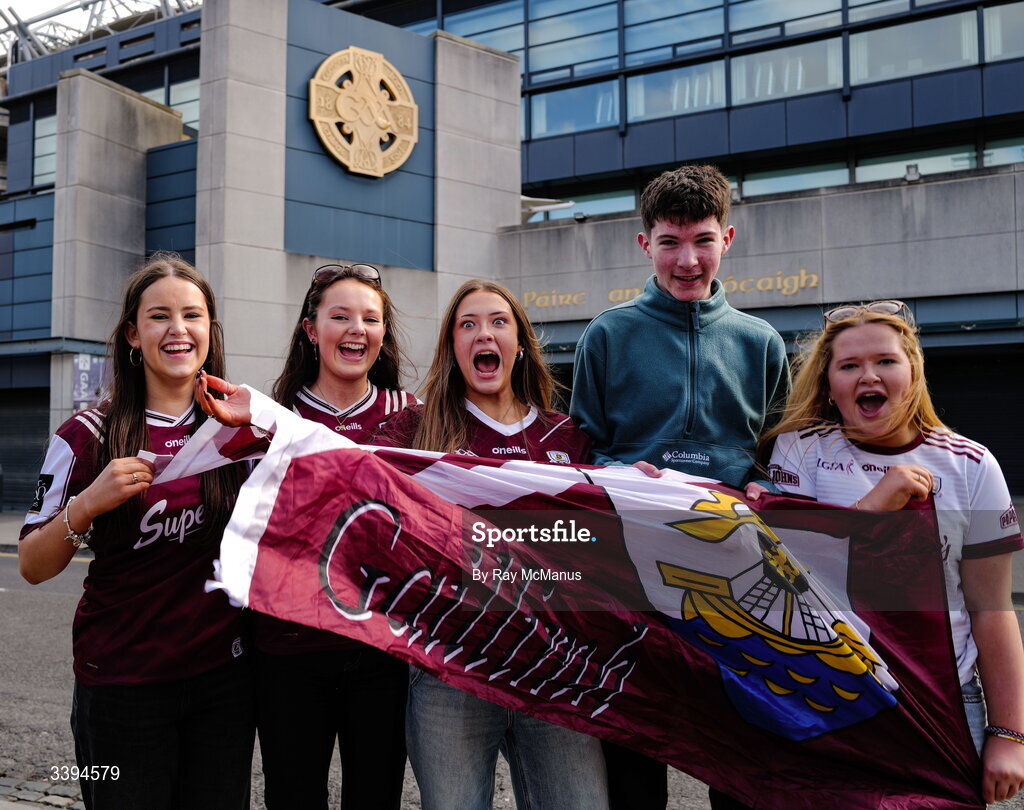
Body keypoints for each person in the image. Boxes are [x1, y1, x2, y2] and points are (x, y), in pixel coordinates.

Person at [569, 164, 790, 809]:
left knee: (740, 753)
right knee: (636, 751)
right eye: (669, 242)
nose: (687, 260)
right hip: (632, 572)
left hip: (740, 575)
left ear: (728, 237)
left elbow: (778, 455)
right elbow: (580, 450)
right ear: (645, 244)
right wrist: (616, 474)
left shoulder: (762, 343)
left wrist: (759, 485)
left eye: (701, 240)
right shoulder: (607, 336)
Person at [747, 299, 1024, 805]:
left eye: (885, 361)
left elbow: (992, 609)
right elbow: (797, 580)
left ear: (913, 371)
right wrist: (874, 507)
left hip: (943, 699)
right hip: (826, 691)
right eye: (849, 365)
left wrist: (1009, 736)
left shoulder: (972, 465)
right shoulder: (801, 449)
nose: (867, 375)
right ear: (829, 385)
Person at [18, 254, 253, 810]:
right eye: (159, 316)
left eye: (192, 316)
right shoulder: (86, 434)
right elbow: (30, 565)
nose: (178, 330)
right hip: (119, 685)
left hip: (224, 680)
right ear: (132, 333)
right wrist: (86, 506)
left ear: (209, 332)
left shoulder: (241, 432)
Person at [373, 279, 608, 810]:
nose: (485, 333)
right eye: (469, 324)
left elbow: (593, 545)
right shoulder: (413, 430)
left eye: (499, 322)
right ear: (453, 347)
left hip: (554, 668)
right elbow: (344, 481)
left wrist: (639, 490)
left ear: (520, 342)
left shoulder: (565, 438)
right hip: (451, 666)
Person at [255, 263, 416, 810]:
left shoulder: (412, 417)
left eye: (370, 319)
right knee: (293, 796)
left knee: (375, 797)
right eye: (340, 316)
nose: (356, 328)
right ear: (310, 329)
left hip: (383, 651)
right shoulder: (269, 421)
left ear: (383, 334)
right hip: (290, 651)